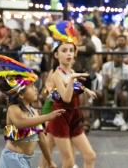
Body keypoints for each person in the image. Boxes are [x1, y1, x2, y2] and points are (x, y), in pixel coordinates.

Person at [0, 54, 64, 168]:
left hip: (26, 160)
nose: (36, 89)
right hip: (12, 159)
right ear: (21, 94)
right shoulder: (13, 109)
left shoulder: (34, 112)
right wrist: (48, 117)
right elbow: (21, 123)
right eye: (32, 87)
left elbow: (41, 138)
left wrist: (49, 161)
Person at [45, 21, 97, 168]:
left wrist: (87, 90)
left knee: (90, 156)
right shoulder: (56, 74)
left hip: (74, 116)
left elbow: (76, 87)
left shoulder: (71, 72)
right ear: (56, 54)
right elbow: (66, 98)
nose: (69, 53)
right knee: (68, 162)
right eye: (64, 50)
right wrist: (72, 80)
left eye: (71, 50)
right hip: (60, 118)